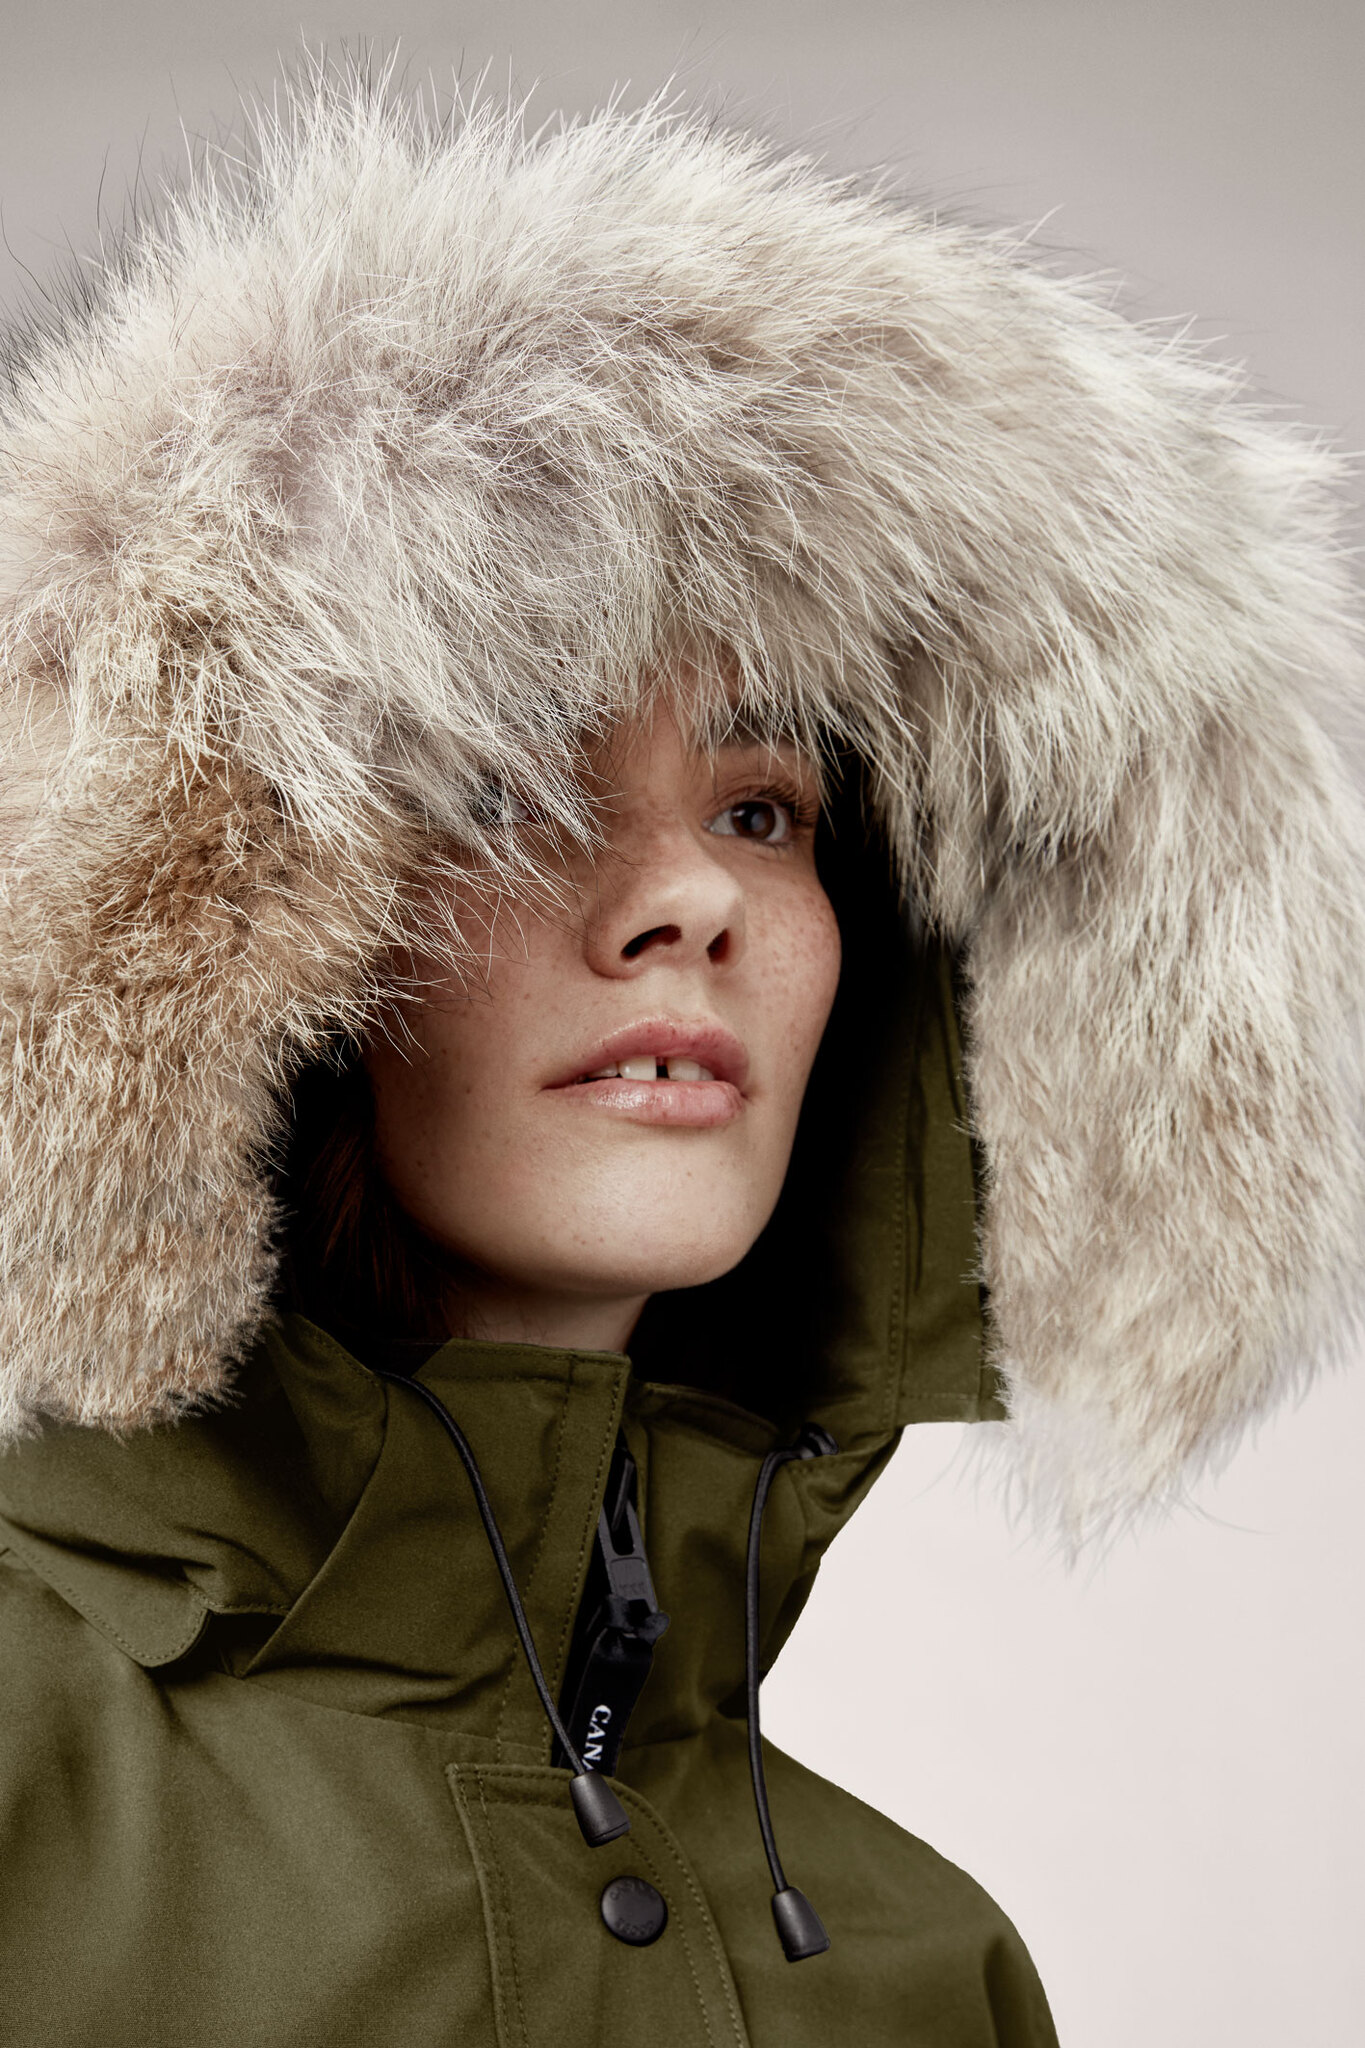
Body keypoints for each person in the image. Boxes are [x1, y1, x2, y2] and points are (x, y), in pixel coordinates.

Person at [0, 66, 1361, 2048]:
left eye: (761, 811)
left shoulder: (930, 1975)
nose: (691, 901)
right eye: (511, 791)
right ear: (216, 908)